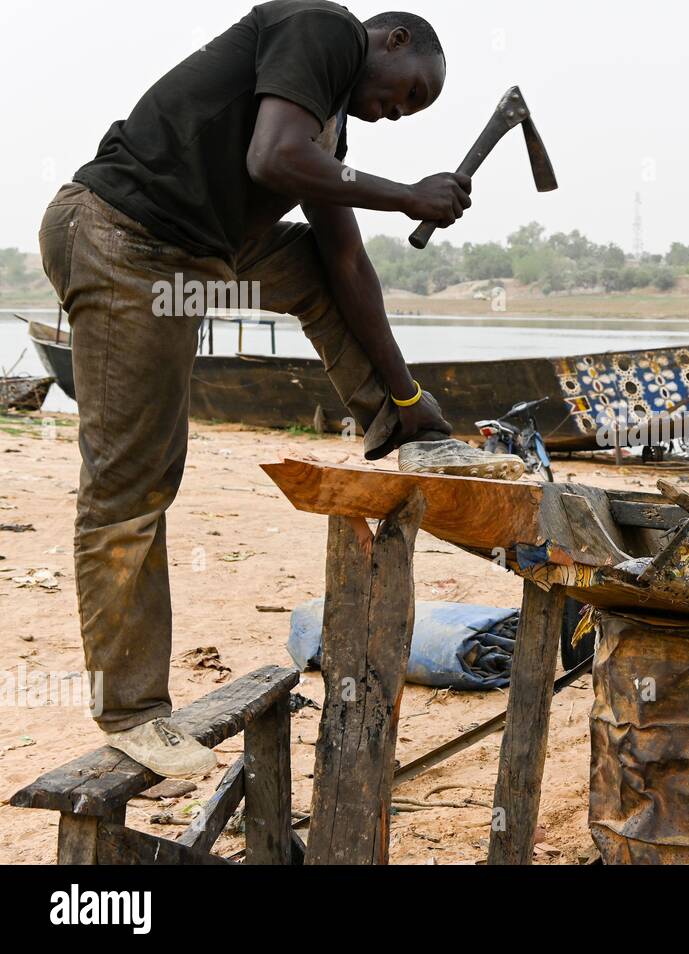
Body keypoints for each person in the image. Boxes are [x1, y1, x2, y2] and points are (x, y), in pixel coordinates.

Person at [38, 2, 523, 777]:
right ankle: (132, 713)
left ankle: (396, 430)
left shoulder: (325, 132)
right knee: (132, 479)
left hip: (202, 249)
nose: (398, 113)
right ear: (391, 39)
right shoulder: (321, 29)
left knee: (324, 266)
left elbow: (349, 268)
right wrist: (407, 195)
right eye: (408, 92)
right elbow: (271, 160)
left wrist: (409, 399)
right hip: (123, 239)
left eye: (412, 112)